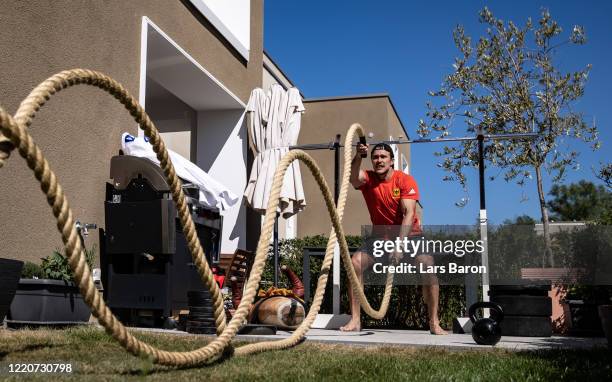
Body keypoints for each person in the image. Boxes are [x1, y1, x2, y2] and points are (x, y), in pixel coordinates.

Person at [339, 142, 447, 335]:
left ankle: (434, 322)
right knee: (355, 263)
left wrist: (400, 244)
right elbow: (353, 177)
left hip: (410, 236)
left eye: (383, 157)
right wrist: (358, 156)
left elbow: (408, 213)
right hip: (380, 238)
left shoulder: (404, 180)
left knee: (428, 266)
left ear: (391, 161)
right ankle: (355, 319)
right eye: (375, 157)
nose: (379, 160)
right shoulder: (368, 179)